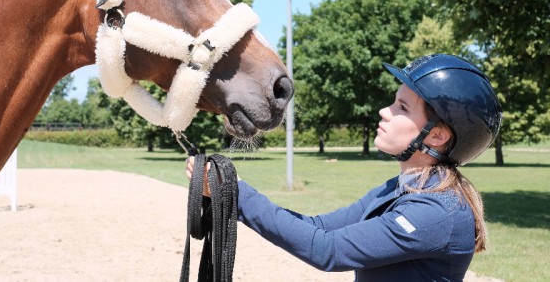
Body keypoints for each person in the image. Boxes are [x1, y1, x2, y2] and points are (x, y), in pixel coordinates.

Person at [186, 54, 502, 282]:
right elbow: (320, 227)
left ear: (437, 134)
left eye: (402, 107)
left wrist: (238, 194)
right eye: (394, 101)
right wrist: (233, 195)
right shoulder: (402, 187)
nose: (385, 112)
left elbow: (328, 250)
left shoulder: (436, 211)